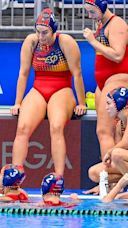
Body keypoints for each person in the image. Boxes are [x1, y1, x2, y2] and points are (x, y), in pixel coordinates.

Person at [9, 8, 87, 200]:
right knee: (22, 128)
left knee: (56, 127)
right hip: (38, 89)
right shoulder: (31, 42)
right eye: (38, 31)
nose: (40, 36)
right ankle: (14, 181)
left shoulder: (65, 42)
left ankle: (58, 179)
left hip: (62, 89)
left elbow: (77, 74)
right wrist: (17, 102)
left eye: (44, 33)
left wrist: (82, 102)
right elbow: (23, 74)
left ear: (54, 31)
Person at [82, 0, 128, 193]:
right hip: (104, 83)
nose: (90, 16)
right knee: (104, 132)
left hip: (117, 79)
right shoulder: (102, 24)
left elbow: (118, 55)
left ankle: (110, 184)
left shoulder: (117, 24)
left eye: (92, 12)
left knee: (107, 132)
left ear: (101, 8)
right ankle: (109, 182)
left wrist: (92, 42)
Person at [94, 87, 128, 201]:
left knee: (116, 154)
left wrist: (109, 152)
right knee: (95, 172)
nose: (106, 107)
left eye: (109, 103)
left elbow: (125, 143)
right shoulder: (120, 125)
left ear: (119, 103)